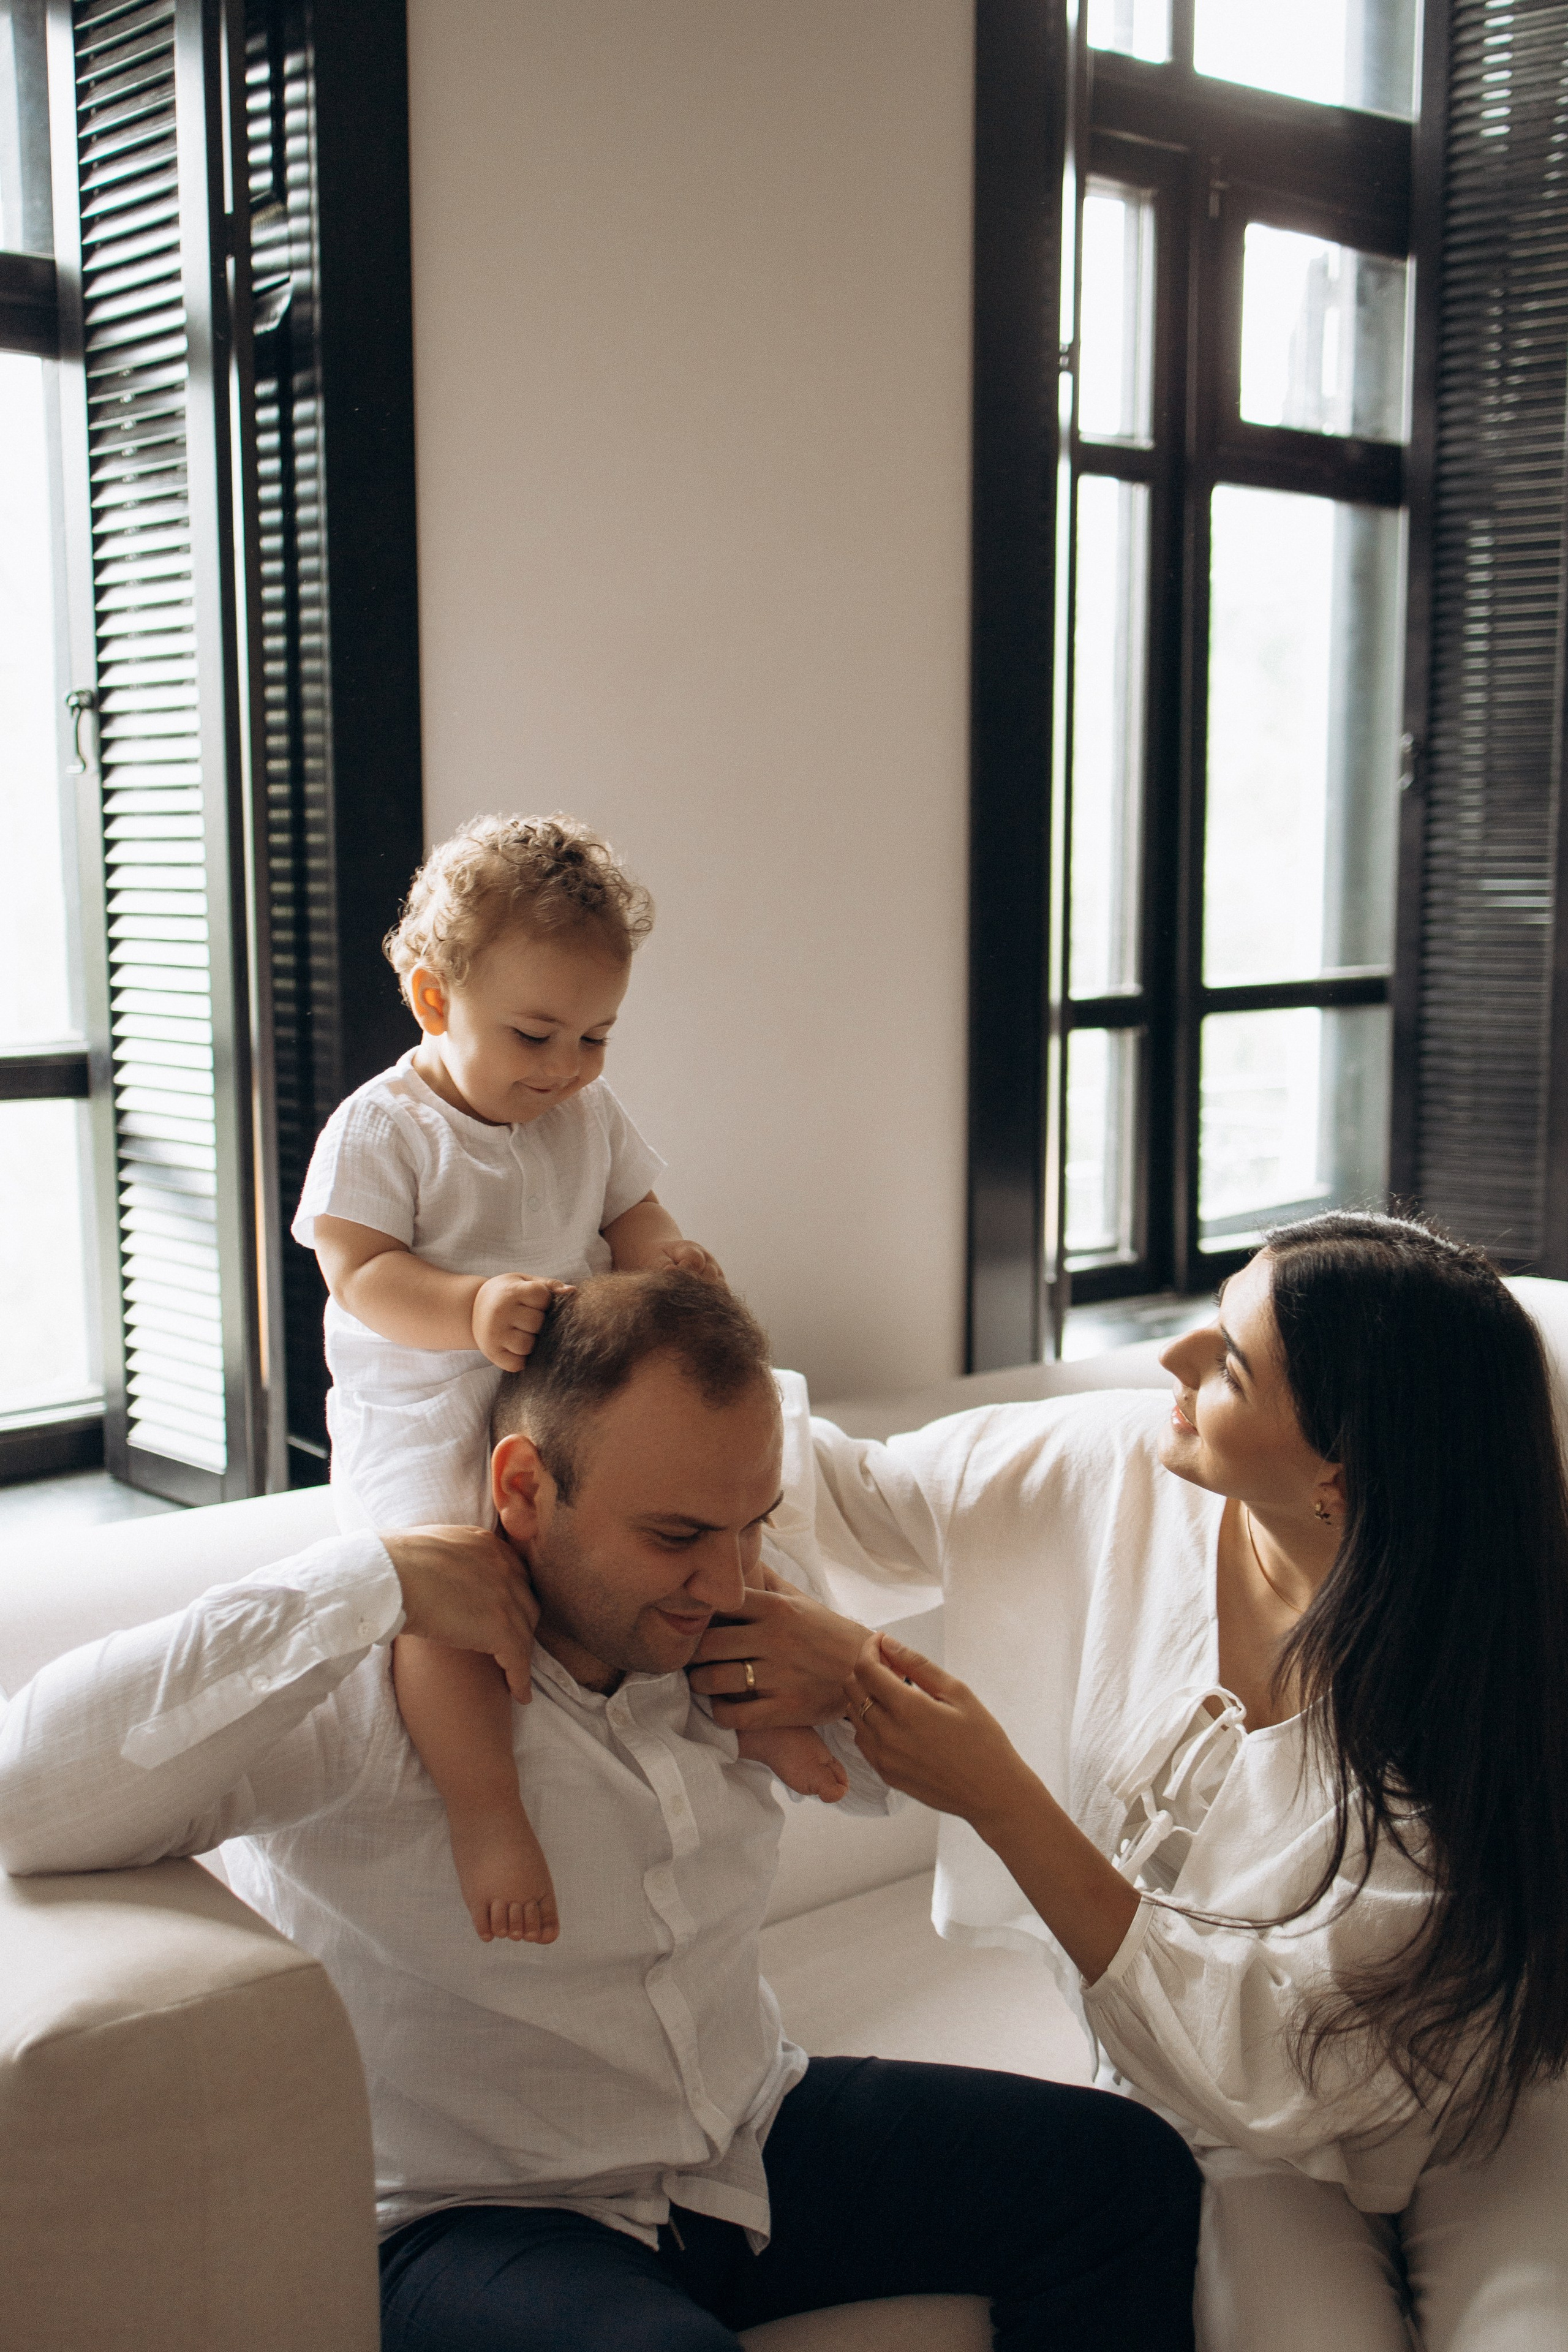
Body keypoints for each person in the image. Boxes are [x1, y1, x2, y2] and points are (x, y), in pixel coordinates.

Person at [0, 1272, 1202, 2352]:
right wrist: (366, 1580)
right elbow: (29, 1799)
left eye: (752, 1526)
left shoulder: (734, 1624)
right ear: (523, 1489)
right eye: (676, 1536)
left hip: (744, 2137)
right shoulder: (371, 1687)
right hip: (472, 2215)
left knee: (1121, 2169)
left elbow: (891, 1779)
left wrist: (843, 1662)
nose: (726, 1581)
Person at [690, 1214, 1568, 2350]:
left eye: (1232, 1364)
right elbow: (842, 1499)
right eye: (1209, 1321)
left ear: (1340, 1472)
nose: (1175, 1360)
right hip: (1212, 2115)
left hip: (1481, 2096)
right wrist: (640, 1300)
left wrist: (998, 1794)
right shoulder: (1117, 1465)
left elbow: (1291, 2041)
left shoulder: (1490, 1680)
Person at [292, 812, 840, 1946]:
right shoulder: (385, 1131)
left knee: (732, 1552)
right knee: (442, 1604)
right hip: (431, 1413)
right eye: (536, 1035)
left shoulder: (585, 1113)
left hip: (575, 1399)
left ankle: (762, 1713)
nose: (565, 1069)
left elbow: (630, 1210)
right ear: (435, 1000)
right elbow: (358, 1271)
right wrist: (468, 1308)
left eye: (595, 1038)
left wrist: (665, 1256)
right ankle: (489, 1812)